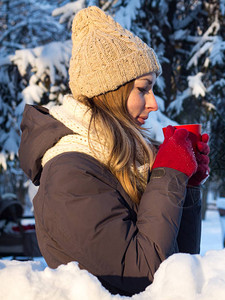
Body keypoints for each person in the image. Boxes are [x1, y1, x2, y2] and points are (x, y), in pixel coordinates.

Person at [18, 6, 210, 296]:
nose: (153, 104)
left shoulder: (116, 162)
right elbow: (143, 274)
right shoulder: (70, 175)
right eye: (143, 89)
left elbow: (179, 265)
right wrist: (168, 176)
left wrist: (186, 184)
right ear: (110, 91)